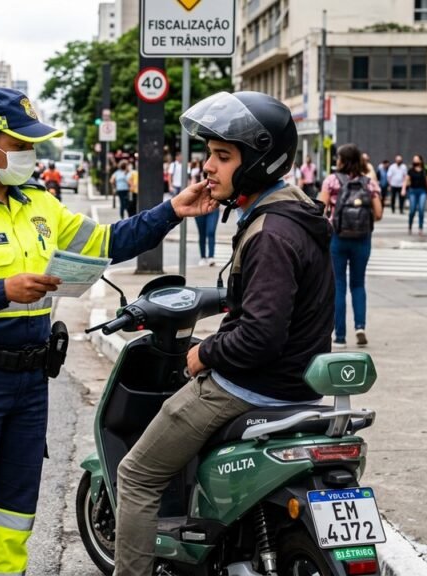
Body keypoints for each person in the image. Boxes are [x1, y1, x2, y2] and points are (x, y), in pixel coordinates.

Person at [0, 87, 216, 576]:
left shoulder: (38, 204)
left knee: (11, 527)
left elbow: (109, 242)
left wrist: (172, 210)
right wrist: (1, 289)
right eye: (20, 144)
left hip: (28, 385)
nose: (29, 153)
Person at [113, 91, 334, 576]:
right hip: (299, 384)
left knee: (136, 475)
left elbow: (259, 335)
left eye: (223, 156)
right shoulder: (296, 213)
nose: (208, 167)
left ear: (256, 161)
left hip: (248, 385)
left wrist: (204, 354)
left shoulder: (270, 233)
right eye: (209, 154)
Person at [319, 143, 383, 348]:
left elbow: (320, 209)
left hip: (337, 238)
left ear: (342, 160)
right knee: (358, 283)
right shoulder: (369, 183)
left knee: (338, 284)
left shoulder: (332, 181)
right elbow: (379, 214)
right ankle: (360, 327)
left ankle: (339, 336)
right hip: (362, 239)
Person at [404, 154, 427, 236]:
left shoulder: (425, 171)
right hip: (413, 191)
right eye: (414, 159)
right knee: (412, 210)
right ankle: (410, 226)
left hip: (422, 191)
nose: (415, 161)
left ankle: (420, 228)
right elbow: (406, 180)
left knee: (421, 209)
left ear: (420, 161)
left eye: (416, 159)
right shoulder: (411, 170)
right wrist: (403, 189)